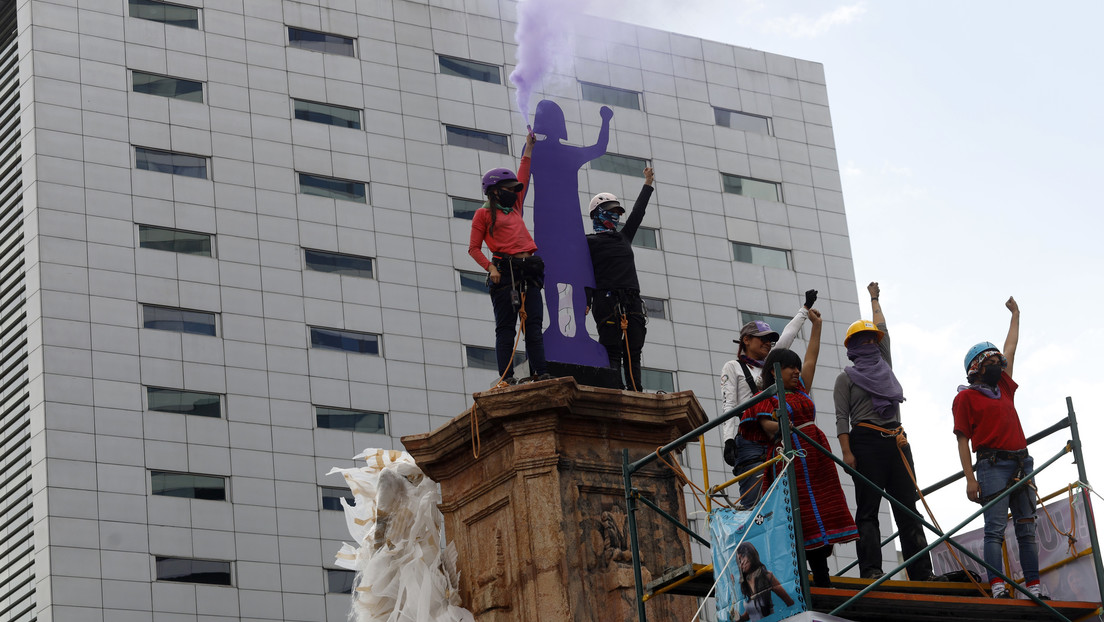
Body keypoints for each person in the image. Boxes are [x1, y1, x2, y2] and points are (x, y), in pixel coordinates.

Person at [738, 309, 858, 587]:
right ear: (775, 372)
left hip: (816, 457)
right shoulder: (766, 397)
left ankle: (823, 576)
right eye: (790, 367)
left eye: (796, 367)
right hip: (791, 459)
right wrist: (782, 425)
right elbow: (769, 428)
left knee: (823, 511)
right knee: (801, 516)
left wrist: (817, 326)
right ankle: (805, 581)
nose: (796, 371)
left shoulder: (801, 389)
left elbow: (812, 357)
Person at [834, 282, 934, 581]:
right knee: (868, 510)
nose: (870, 344)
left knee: (908, 508)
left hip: (897, 440)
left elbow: (883, 330)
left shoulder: (884, 364)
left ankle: (921, 572)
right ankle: (872, 571)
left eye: (871, 340)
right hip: (865, 442)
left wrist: (874, 299)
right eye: (863, 340)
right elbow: (842, 419)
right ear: (852, 347)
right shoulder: (845, 379)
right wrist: (847, 453)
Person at [952, 296, 1046, 599]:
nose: (996, 365)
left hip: (1021, 462)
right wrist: (970, 478)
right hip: (991, 465)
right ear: (976, 368)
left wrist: (1015, 315)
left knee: (1027, 529)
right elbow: (962, 440)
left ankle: (1033, 586)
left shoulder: (1003, 387)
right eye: (989, 363)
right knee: (994, 529)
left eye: (997, 363)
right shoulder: (965, 398)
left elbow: (1011, 348)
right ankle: (998, 586)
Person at [468, 131, 551, 388]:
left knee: (533, 326)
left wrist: (528, 148)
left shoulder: (514, 207)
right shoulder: (482, 215)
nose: (514, 193)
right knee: (506, 329)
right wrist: (490, 267)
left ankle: (541, 372)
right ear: (494, 192)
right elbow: (473, 248)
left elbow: (523, 174)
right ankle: (507, 376)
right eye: (508, 190)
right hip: (505, 272)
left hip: (529, 270)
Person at [720, 290, 817, 507]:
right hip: (750, 438)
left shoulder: (771, 367)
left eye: (770, 341)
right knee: (756, 502)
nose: (768, 343)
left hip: (774, 436)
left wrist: (805, 308)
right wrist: (728, 440)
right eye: (762, 339)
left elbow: (787, 337)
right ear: (746, 340)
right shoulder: (733, 367)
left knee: (784, 504)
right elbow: (729, 404)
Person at [584, 167, 654, 391]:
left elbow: (638, 213)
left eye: (617, 211)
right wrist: (585, 301)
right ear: (598, 213)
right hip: (606, 300)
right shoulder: (588, 241)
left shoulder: (624, 237)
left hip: (631, 300)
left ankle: (636, 391)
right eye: (611, 210)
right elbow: (583, 272)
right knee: (612, 348)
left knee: (633, 350)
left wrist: (648, 184)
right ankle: (614, 389)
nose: (616, 215)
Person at [736, 541, 795, 621]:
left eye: (743, 557)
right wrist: (737, 617)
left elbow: (789, 602)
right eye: (739, 560)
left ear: (751, 556)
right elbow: (749, 615)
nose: (742, 563)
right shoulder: (746, 582)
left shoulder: (767, 576)